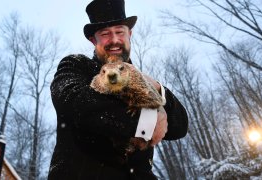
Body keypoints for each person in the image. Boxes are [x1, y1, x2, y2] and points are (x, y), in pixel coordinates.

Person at [48, 0, 188, 179]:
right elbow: (73, 101)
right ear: (93, 40)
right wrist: (147, 121)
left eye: (120, 32)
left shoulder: (143, 81)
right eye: (105, 33)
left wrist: (157, 88)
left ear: (129, 34)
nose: (114, 40)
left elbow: (180, 126)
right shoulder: (76, 65)